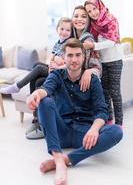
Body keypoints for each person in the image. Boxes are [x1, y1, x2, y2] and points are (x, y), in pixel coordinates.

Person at [26, 38, 123, 185]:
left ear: (84, 57)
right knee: (44, 102)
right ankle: (58, 159)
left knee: (116, 131)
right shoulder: (56, 76)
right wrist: (35, 95)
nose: (74, 59)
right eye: (70, 55)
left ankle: (66, 159)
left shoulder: (93, 80)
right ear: (64, 57)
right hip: (60, 131)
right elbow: (45, 90)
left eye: (78, 55)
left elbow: (102, 110)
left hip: (84, 134)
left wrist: (94, 129)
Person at [84, 0, 124, 126]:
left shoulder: (111, 19)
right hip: (102, 62)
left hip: (115, 60)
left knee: (115, 92)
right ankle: (109, 120)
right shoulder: (93, 25)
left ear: (100, 6)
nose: (93, 13)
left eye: (94, 9)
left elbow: (112, 41)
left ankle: (119, 123)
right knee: (104, 92)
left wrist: (93, 46)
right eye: (89, 12)